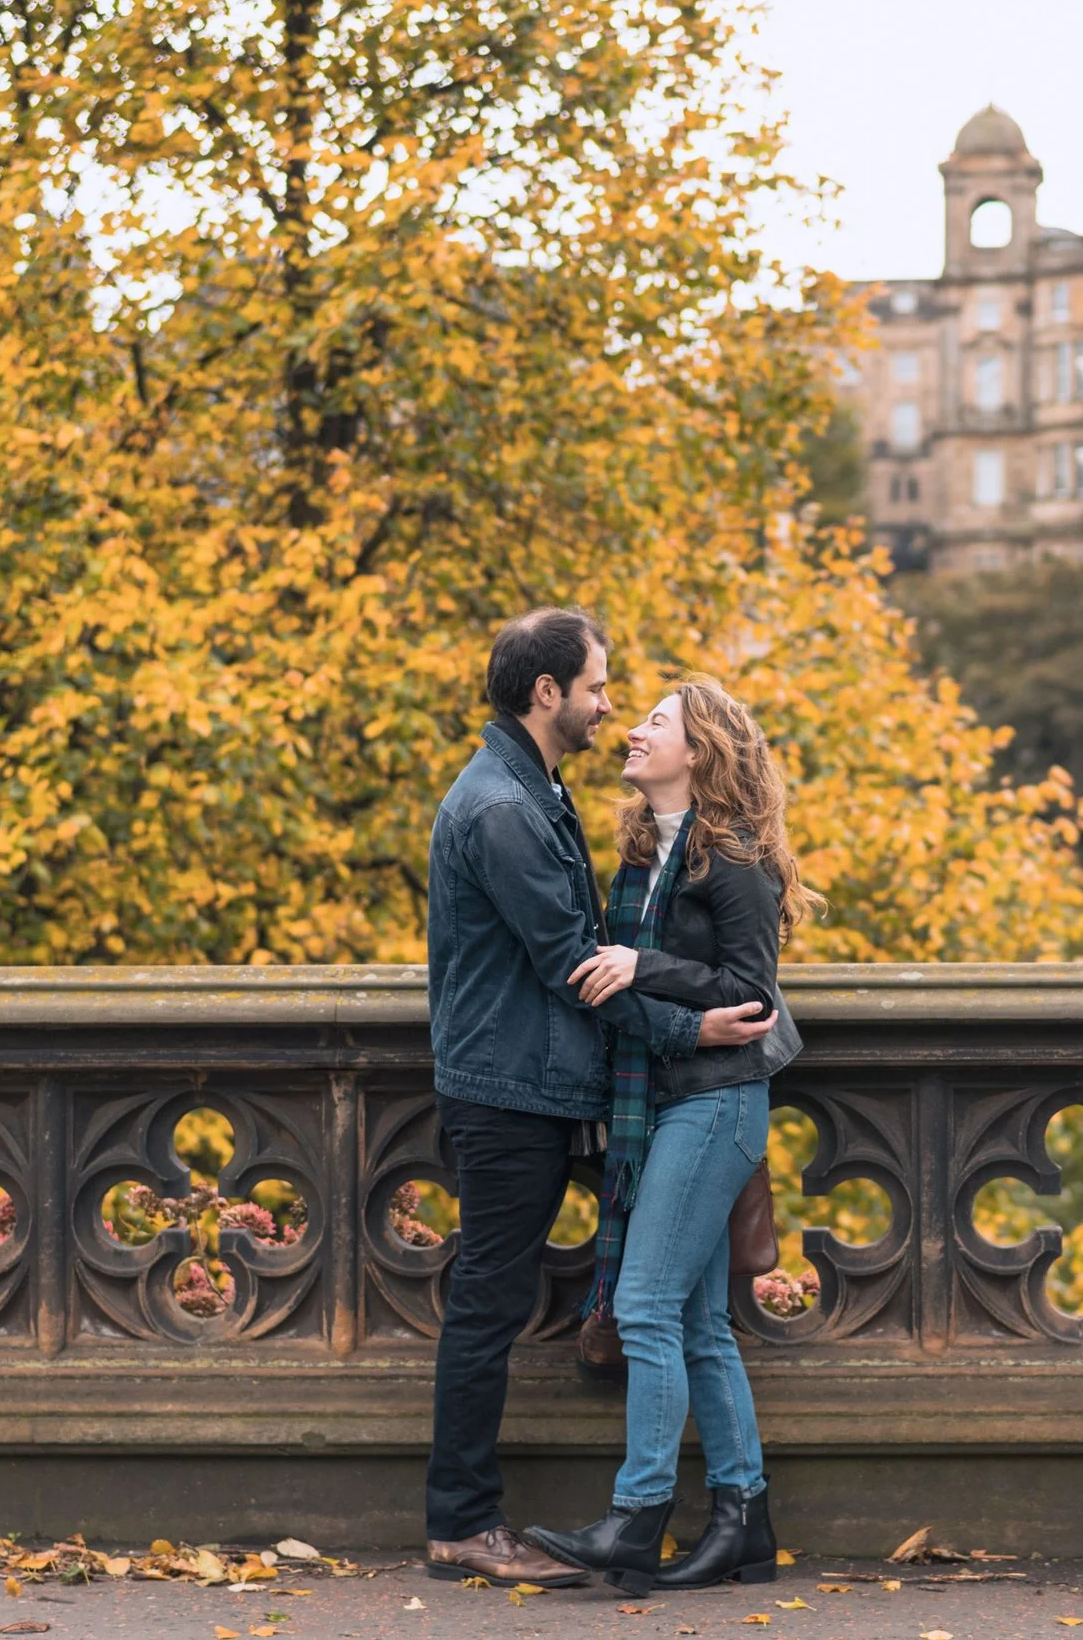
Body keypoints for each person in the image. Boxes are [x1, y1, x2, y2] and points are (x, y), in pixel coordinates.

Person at [424, 613, 777, 1588]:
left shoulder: (543, 796)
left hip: (622, 1093)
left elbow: (733, 979)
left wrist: (689, 1020)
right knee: (498, 1302)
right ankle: (463, 1521)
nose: (611, 706)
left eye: (638, 705)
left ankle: (712, 1515)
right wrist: (687, 1030)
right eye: (599, 686)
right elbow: (576, 964)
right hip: (516, 1090)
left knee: (674, 1310)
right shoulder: (506, 804)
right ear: (548, 693)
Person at [526, 678, 814, 1595]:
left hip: (718, 1104)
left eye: (657, 721)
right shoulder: (645, 856)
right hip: (673, 1095)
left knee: (647, 1306)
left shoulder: (730, 860)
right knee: (695, 1323)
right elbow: (633, 1000)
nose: (634, 728)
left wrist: (642, 964)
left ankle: (636, 1516)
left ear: (700, 752)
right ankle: (743, 1521)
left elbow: (752, 992)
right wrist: (658, 992)